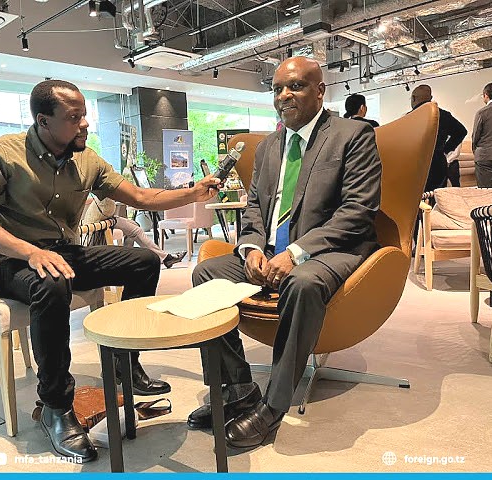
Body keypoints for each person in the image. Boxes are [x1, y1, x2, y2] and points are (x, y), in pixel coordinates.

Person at [0, 79, 219, 462]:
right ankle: (55, 406)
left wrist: (193, 193)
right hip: (13, 262)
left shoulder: (87, 160)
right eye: (74, 117)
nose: (85, 124)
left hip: (66, 253)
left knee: (144, 262)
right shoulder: (1, 153)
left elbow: (140, 196)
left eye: (84, 115)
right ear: (43, 121)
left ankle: (124, 363)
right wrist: (32, 253)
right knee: (51, 282)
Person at [187, 56, 382, 450]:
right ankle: (237, 387)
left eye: (295, 86)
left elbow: (358, 211)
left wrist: (295, 252)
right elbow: (255, 208)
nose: (283, 95)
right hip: (271, 250)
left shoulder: (353, 135)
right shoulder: (268, 147)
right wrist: (251, 248)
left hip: (331, 248)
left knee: (303, 282)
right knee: (205, 273)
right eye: (277, 89)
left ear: (320, 91)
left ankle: (273, 407)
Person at [84, 195, 187, 268]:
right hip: (103, 221)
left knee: (135, 225)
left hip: (109, 218)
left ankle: (126, 259)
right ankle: (165, 258)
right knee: (137, 231)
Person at [410, 85, 467, 191]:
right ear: (430, 98)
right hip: (437, 161)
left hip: (415, 163)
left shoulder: (409, 117)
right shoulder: (443, 115)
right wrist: (445, 149)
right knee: (438, 195)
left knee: (417, 195)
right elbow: (461, 131)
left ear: (413, 98)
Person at [472, 82, 492, 187]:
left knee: (484, 191)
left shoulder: (482, 112)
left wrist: (475, 151)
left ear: (486, 95)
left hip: (484, 155)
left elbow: (475, 136)